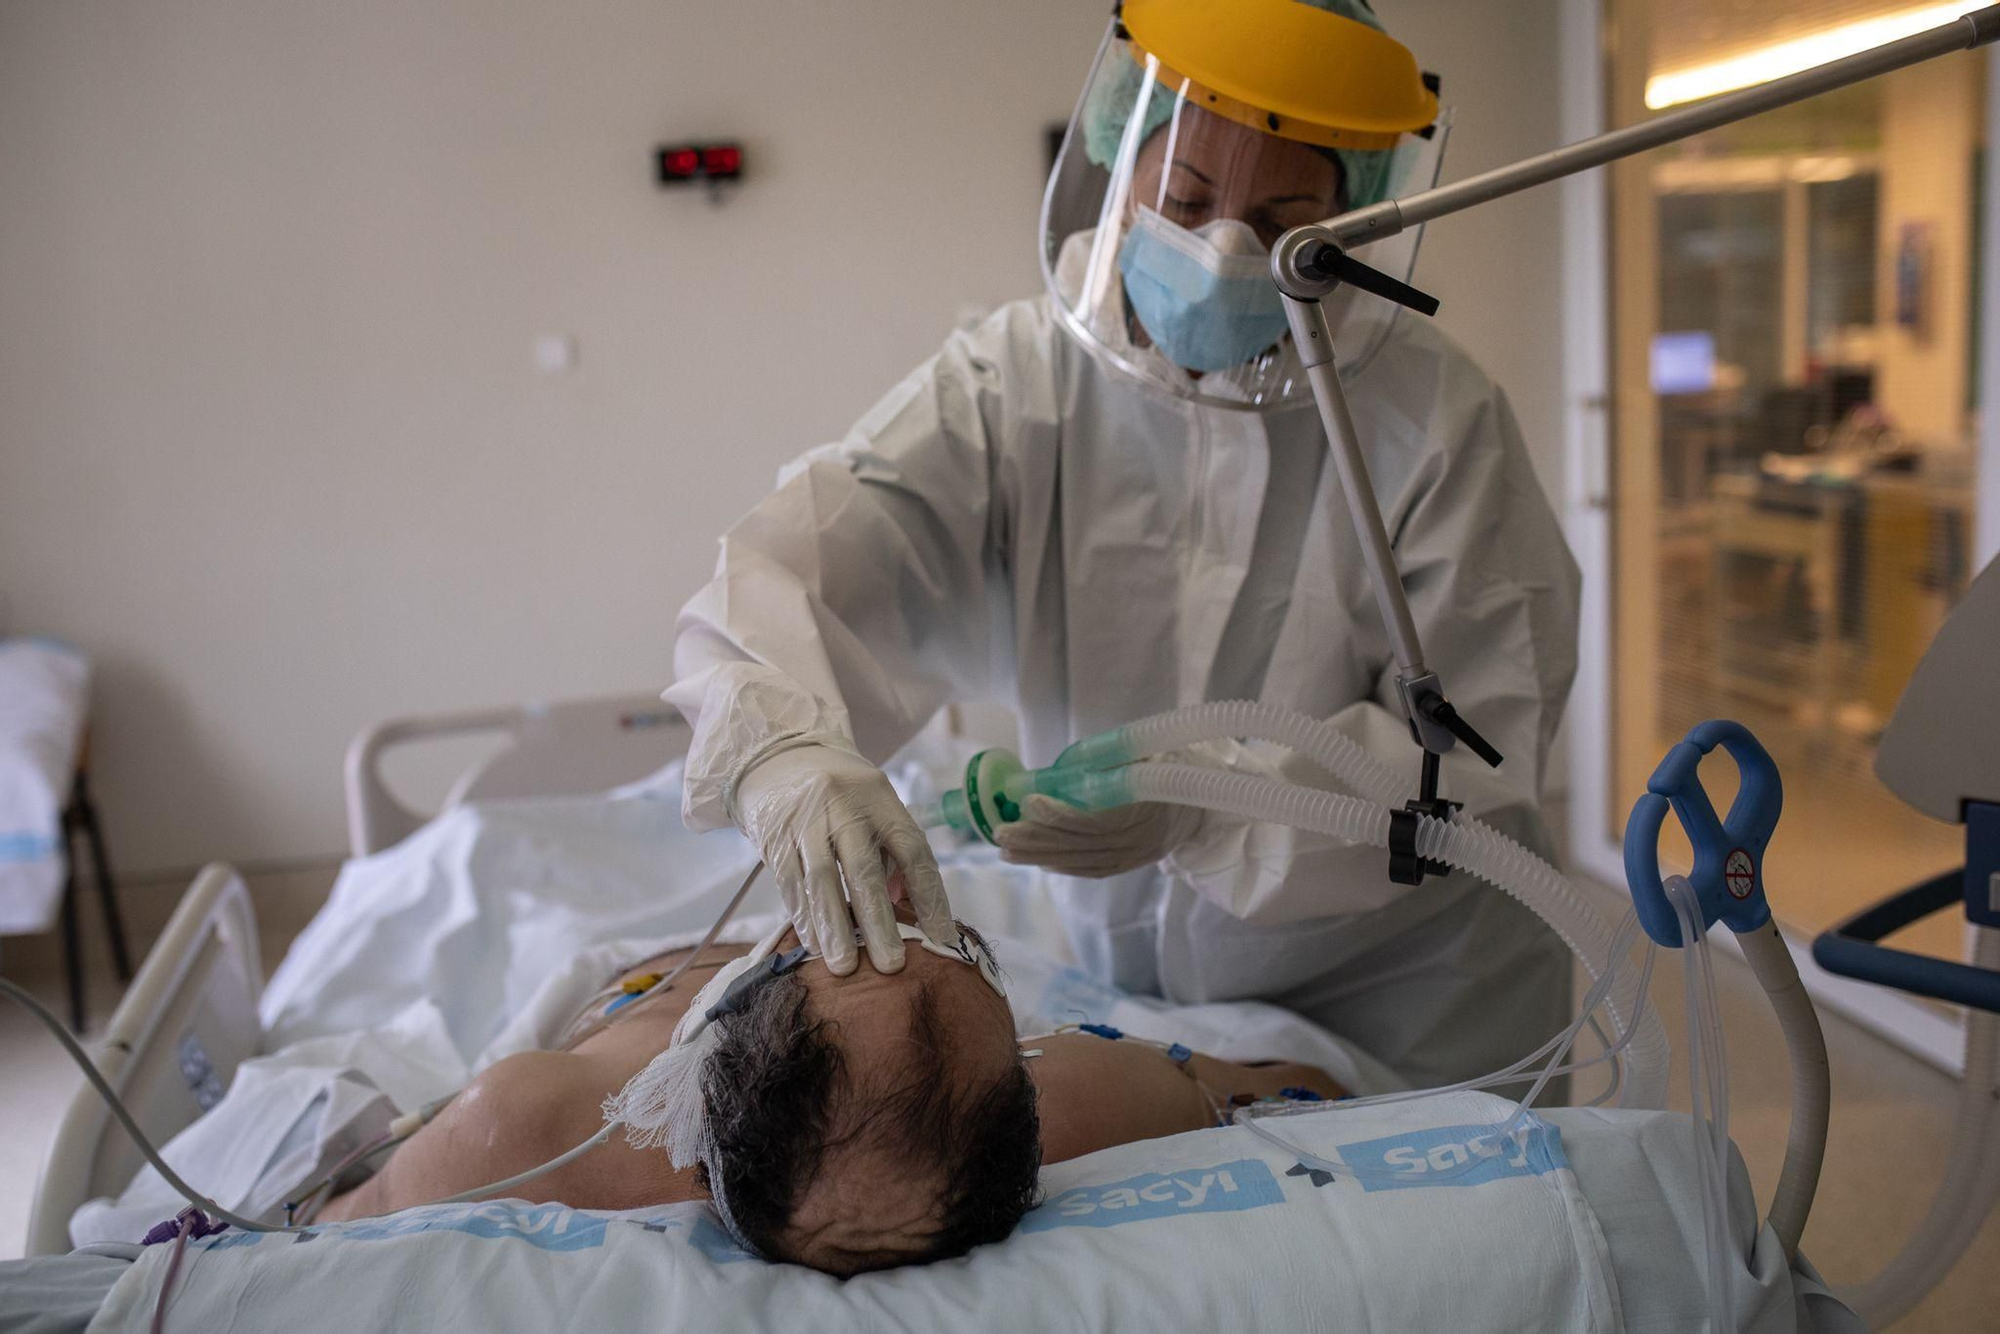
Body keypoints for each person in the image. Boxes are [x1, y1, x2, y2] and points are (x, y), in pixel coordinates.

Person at [666, 0, 1581, 1090]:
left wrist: (1208, 797)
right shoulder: (1015, 382)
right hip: (1124, 986)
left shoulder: (1434, 416)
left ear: (1355, 213)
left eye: (1282, 217)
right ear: (1115, 159)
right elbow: (806, 556)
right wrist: (778, 742)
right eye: (1185, 198)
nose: (1222, 248)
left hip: (1409, 995)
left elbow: (1482, 740)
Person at [312, 910, 1343, 1274]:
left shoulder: (518, 1125)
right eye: (950, 944)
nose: (895, 895)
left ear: (700, 1060)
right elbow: (1301, 1085)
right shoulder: (1087, 1091)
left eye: (942, 938)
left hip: (645, 975)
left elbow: (316, 1221)